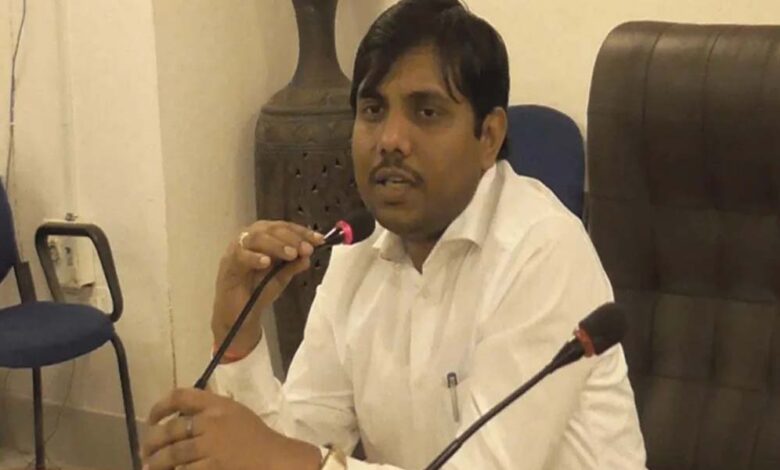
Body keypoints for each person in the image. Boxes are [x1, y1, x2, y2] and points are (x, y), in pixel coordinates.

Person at [141, 0, 647, 468]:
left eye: (426, 112)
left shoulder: (542, 250)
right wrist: (239, 339)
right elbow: (298, 442)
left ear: (489, 136)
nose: (390, 140)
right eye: (373, 110)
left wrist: (282, 457)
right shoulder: (357, 250)